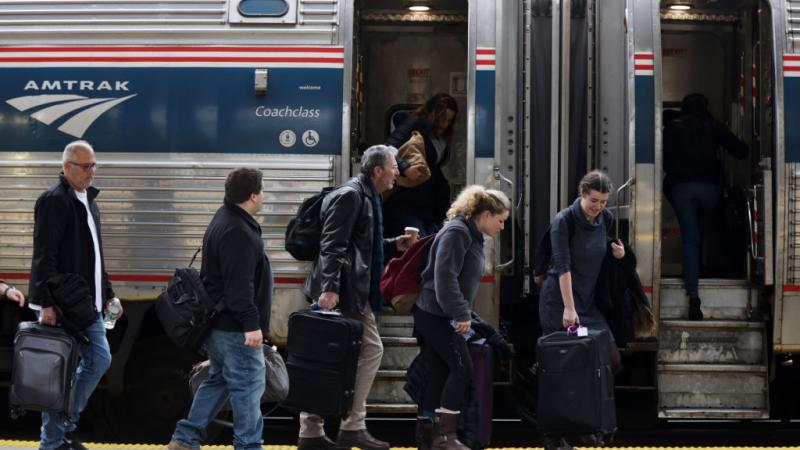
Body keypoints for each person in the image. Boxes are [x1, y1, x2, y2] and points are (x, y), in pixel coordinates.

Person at [299, 145, 412, 450]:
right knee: (362, 351)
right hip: (346, 291)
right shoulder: (351, 195)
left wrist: (392, 245)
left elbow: (362, 244)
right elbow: (332, 244)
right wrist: (330, 288)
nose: (397, 173)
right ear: (377, 171)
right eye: (393, 167)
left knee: (328, 357)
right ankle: (350, 426)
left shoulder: (367, 196)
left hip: (354, 288)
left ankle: (315, 430)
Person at [168, 168, 273, 450]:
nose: (264, 195)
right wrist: (252, 324)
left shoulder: (224, 218)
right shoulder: (238, 230)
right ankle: (248, 446)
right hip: (235, 327)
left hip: (221, 324)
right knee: (248, 387)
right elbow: (239, 286)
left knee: (218, 381)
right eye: (262, 190)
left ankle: (185, 439)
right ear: (253, 195)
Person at [27, 140, 121, 450]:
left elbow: (96, 256)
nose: (92, 172)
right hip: (64, 305)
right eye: (86, 166)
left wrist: (108, 294)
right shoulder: (54, 201)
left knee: (99, 359)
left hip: (88, 304)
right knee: (59, 373)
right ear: (67, 167)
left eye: (94, 165)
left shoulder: (89, 201)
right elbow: (44, 255)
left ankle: (65, 425)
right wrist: (45, 304)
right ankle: (53, 440)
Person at [412, 185, 510, 450]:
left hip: (436, 312)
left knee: (441, 370)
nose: (502, 227)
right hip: (436, 314)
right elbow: (445, 277)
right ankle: (446, 437)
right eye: (500, 221)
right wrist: (460, 313)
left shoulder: (469, 232)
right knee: (461, 368)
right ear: (486, 214)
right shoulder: (458, 233)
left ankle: (428, 434)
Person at [538, 171, 624, 450]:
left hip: (587, 305)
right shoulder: (564, 220)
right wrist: (569, 309)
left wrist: (620, 253)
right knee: (564, 367)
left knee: (608, 359)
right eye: (594, 201)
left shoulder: (605, 219)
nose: (598, 207)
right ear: (581, 194)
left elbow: (604, 254)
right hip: (561, 302)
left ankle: (584, 424)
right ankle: (555, 436)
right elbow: (563, 264)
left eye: (603, 202)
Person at [663, 93, 749, 320]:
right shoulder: (713, 126)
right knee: (707, 229)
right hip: (710, 190)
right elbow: (741, 151)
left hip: (681, 190)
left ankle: (693, 295)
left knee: (690, 238)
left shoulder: (672, 127)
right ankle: (711, 268)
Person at [383, 93, 458, 238]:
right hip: (405, 201)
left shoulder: (439, 136)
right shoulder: (415, 123)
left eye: (449, 120)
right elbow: (387, 148)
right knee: (417, 245)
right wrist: (405, 168)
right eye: (442, 118)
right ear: (433, 114)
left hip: (425, 203)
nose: (445, 124)